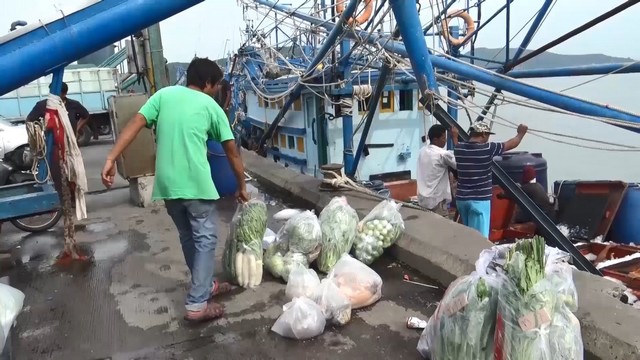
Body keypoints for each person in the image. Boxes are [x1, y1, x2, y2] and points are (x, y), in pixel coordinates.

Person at [101, 57, 249, 323]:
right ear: (207, 83)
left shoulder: (164, 95)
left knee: (188, 238)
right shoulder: (210, 106)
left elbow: (134, 124)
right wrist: (241, 186)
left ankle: (204, 287)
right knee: (205, 240)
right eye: (216, 86)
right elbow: (232, 154)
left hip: (167, 187)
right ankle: (197, 304)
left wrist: (112, 158)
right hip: (196, 185)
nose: (217, 91)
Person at [454, 120, 528, 237]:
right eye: (488, 135)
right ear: (483, 134)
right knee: (479, 239)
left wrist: (454, 135)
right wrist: (521, 133)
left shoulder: (459, 149)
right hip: (479, 201)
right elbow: (511, 143)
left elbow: (456, 143)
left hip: (462, 200)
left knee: (467, 237)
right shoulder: (488, 149)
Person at [26, 82, 92, 141]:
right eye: (51, 93)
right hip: (50, 144)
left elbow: (85, 115)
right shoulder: (42, 105)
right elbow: (29, 120)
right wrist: (38, 136)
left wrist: (77, 129)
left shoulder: (74, 104)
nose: (53, 96)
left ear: (64, 94)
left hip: (70, 142)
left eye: (56, 94)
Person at [416, 124, 458, 217]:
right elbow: (460, 163)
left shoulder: (422, 151)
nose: (446, 140)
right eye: (444, 138)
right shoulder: (443, 154)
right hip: (437, 200)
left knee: (427, 226)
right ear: (435, 139)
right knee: (442, 228)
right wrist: (455, 138)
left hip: (423, 199)